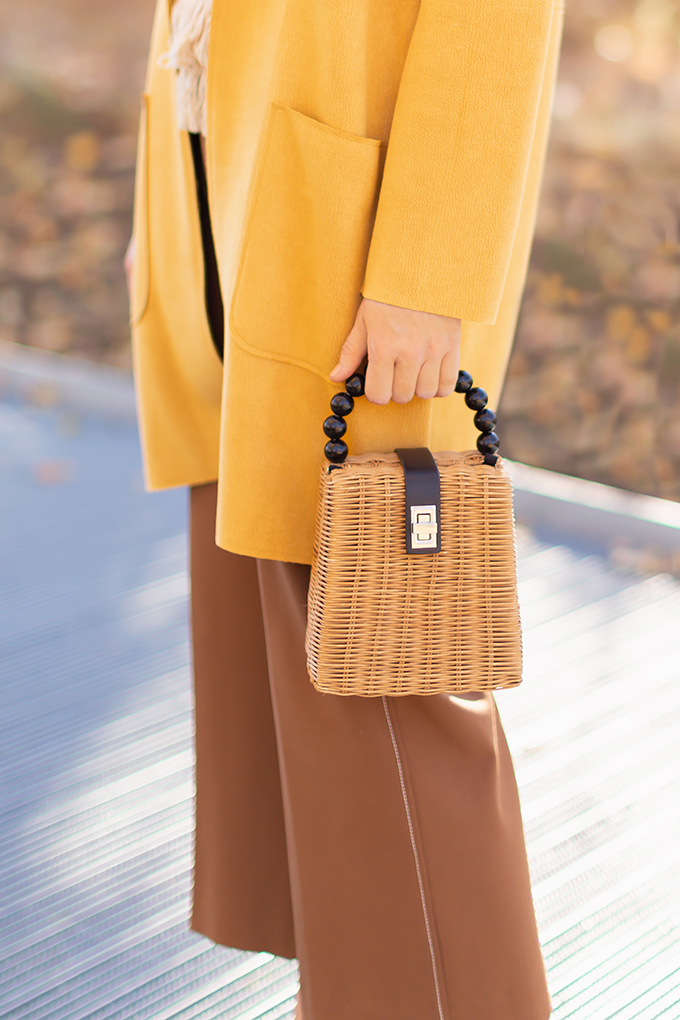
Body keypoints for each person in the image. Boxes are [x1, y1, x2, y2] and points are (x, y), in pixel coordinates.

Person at [127, 1, 564, 1017]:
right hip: (219, 169)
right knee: (278, 592)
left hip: (352, 209)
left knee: (384, 637)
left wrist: (428, 264)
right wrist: (167, 194)